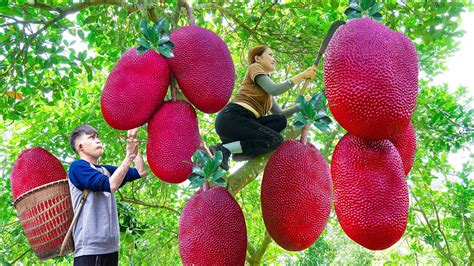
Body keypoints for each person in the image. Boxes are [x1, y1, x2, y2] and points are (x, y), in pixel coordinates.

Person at [210, 45, 316, 170]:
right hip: (232, 119)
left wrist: (303, 105)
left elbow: (281, 114)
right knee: (275, 139)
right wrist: (302, 75)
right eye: (270, 55)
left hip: (244, 125)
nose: (274, 59)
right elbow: (275, 89)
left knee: (280, 120)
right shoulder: (255, 67)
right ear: (258, 58)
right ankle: (225, 149)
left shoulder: (267, 97)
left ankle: (228, 149)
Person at [67, 124, 147, 266]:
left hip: (111, 247)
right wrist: (128, 157)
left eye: (98, 137)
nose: (98, 141)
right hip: (90, 249)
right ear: (80, 147)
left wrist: (134, 147)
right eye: (91, 138)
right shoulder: (78, 167)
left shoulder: (105, 170)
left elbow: (141, 172)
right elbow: (111, 185)